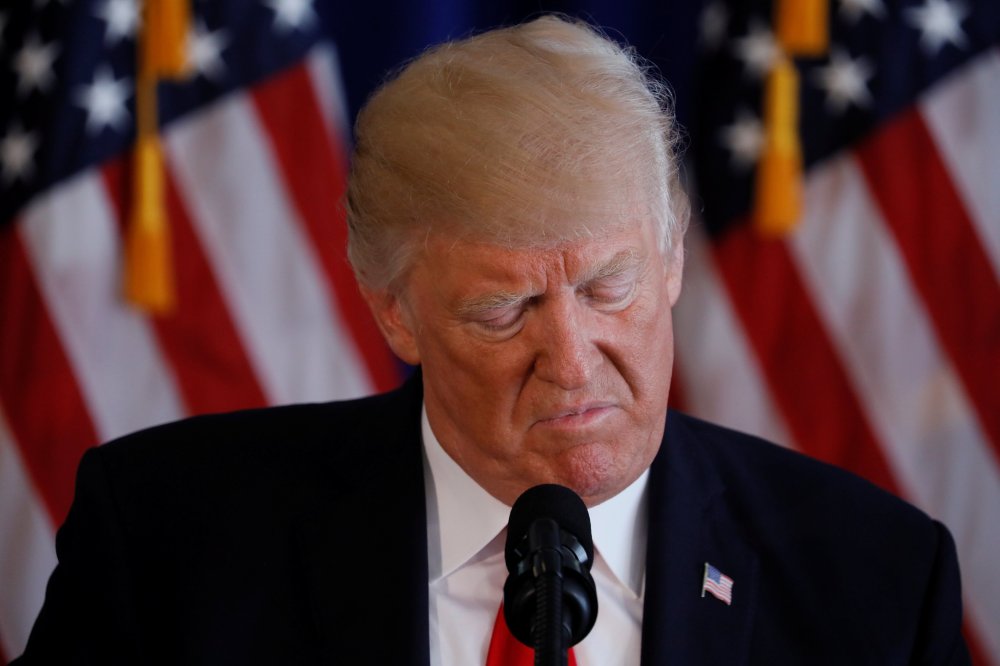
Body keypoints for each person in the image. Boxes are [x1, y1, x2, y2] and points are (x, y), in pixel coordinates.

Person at [14, 15, 969, 665]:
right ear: (395, 310)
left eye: (609, 286)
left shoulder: (876, 583)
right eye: (504, 309)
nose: (573, 357)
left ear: (673, 257)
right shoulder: (165, 545)